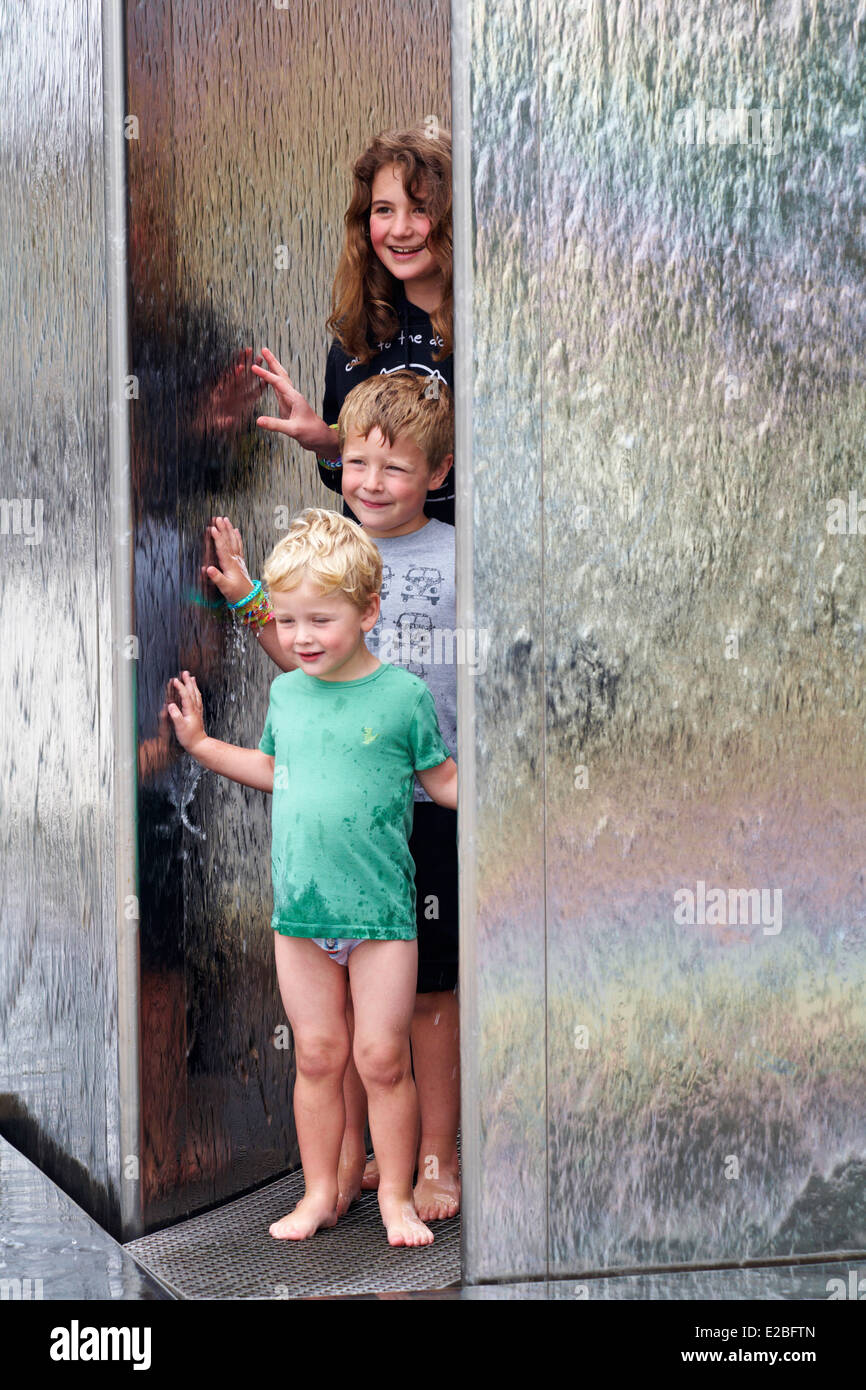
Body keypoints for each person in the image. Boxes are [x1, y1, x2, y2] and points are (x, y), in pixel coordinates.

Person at [202, 372, 462, 1223]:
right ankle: (338, 1176)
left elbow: (453, 768)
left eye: (393, 467)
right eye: (354, 463)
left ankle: (428, 1166)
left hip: (415, 819)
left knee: (412, 1017)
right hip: (321, 871)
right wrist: (246, 601)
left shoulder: (461, 556)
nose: (372, 482)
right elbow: (303, 674)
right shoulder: (328, 567)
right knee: (326, 1047)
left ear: (438, 470)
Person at [252, 125, 455, 525]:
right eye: (384, 209)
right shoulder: (358, 334)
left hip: (475, 570)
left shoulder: (495, 327)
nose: (400, 229)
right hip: (373, 574)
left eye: (420, 209)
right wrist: (327, 444)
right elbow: (350, 479)